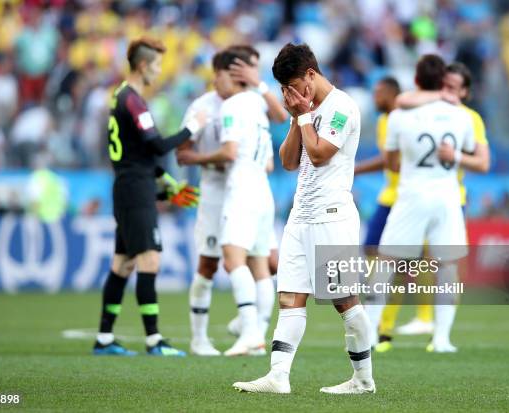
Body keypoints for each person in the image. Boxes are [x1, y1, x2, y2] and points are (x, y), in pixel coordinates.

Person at [233, 43, 375, 394]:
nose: (295, 94)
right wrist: (298, 116)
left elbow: (321, 153)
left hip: (332, 216)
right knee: (290, 297)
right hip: (301, 215)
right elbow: (288, 160)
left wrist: (304, 115)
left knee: (343, 300)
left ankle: (363, 379)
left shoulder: (342, 107)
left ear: (312, 73)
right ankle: (278, 376)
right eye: (287, 90)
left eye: (297, 86)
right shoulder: (306, 109)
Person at [93, 37, 206, 356]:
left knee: (123, 264)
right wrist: (191, 130)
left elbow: (139, 153)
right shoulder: (134, 100)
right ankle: (154, 340)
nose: (158, 71)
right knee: (149, 260)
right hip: (135, 190)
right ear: (143, 65)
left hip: (130, 185)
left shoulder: (119, 96)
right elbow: (156, 147)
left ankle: (103, 338)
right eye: (156, 65)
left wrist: (168, 183)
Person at [178, 45, 287, 356]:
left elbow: (232, 151)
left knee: (248, 260)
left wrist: (204, 158)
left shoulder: (247, 101)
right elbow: (184, 149)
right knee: (211, 264)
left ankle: (252, 331)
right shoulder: (206, 105)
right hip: (219, 194)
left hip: (240, 190)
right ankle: (203, 338)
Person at [367, 55, 476, 354]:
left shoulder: (399, 115)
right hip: (448, 196)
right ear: (443, 81)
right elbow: (470, 152)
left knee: (386, 262)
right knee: (447, 266)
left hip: (412, 195)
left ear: (416, 80)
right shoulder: (462, 115)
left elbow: (391, 162)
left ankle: (371, 334)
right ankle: (441, 339)